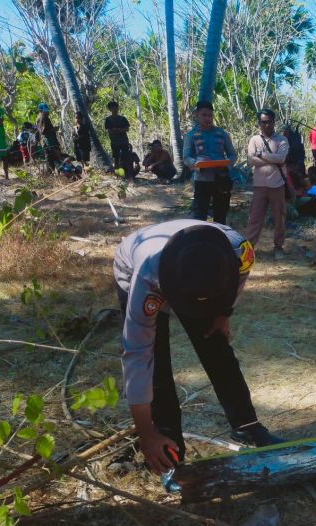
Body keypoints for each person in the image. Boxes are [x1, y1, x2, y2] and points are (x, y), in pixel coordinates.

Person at [113, 220, 282, 485]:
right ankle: (170, 452)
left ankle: (247, 425)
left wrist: (224, 313)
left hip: (196, 271)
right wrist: (146, 434)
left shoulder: (238, 250)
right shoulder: (147, 277)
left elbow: (239, 280)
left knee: (216, 345)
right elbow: (138, 355)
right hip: (136, 266)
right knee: (156, 364)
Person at [183, 101, 237, 225]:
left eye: (210, 115)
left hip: (221, 178)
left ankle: (219, 240)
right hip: (202, 179)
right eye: (204, 115)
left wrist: (227, 165)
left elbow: (233, 155)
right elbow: (186, 157)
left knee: (221, 214)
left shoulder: (222, 134)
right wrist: (197, 163)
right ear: (197, 115)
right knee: (200, 215)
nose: (208, 118)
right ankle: (200, 241)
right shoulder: (191, 136)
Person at [246, 108, 289, 261]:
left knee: (279, 218)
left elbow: (281, 158)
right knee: (254, 219)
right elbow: (251, 160)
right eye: (264, 122)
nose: (267, 125)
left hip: (277, 186)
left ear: (274, 122)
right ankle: (249, 249)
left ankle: (278, 247)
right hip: (259, 186)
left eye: (270, 122)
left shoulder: (282, 140)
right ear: (259, 123)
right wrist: (272, 157)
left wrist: (261, 154)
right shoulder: (254, 140)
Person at [105, 101, 131, 165]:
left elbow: (127, 129)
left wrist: (117, 130)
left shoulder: (123, 118)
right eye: (113, 108)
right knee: (116, 158)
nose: (114, 109)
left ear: (118, 108)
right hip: (114, 142)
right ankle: (117, 172)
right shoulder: (108, 120)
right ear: (110, 109)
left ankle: (127, 171)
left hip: (124, 141)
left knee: (125, 157)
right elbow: (109, 130)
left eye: (116, 108)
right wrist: (120, 130)